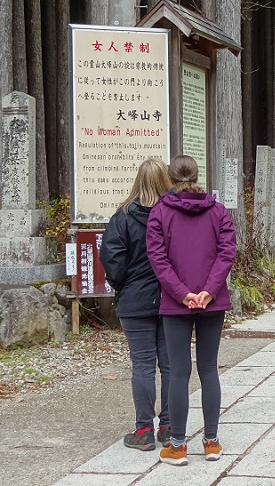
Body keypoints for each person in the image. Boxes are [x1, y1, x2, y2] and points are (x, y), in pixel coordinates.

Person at [146, 154, 237, 466]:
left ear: (171, 180)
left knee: (178, 372)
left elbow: (157, 258)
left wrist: (183, 294)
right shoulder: (218, 211)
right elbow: (227, 253)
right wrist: (208, 291)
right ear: (198, 177)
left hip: (176, 303)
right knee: (209, 369)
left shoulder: (160, 213)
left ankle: (178, 446)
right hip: (212, 302)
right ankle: (211, 442)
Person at [99, 157, 174, 451]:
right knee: (170, 366)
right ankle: (169, 427)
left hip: (134, 300)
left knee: (142, 365)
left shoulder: (122, 217)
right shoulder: (173, 215)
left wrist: (123, 287)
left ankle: (144, 429)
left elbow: (113, 261)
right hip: (171, 299)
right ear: (166, 181)